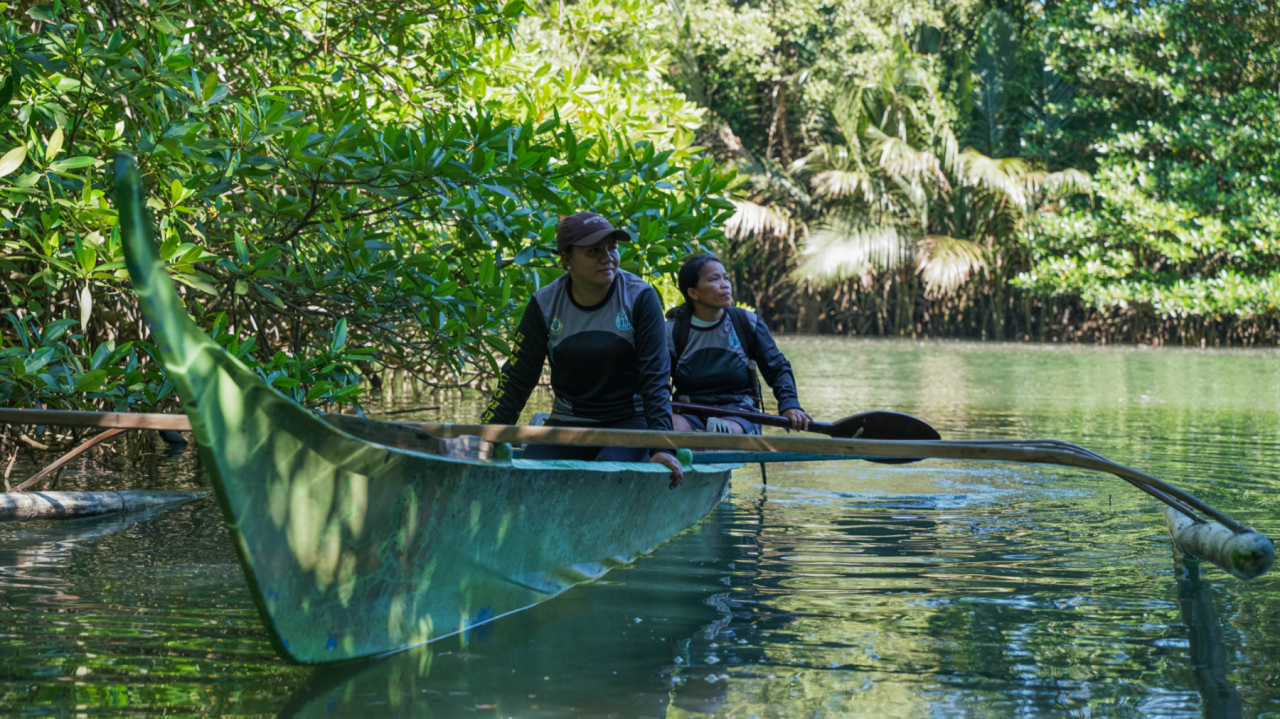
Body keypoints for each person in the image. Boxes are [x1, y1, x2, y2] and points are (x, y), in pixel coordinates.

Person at [481, 211, 684, 486]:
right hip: (569, 422)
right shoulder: (543, 304)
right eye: (593, 251)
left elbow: (656, 378)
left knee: (602, 477)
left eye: (612, 248)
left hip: (632, 423)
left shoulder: (640, 297)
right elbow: (518, 377)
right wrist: (487, 434)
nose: (607, 258)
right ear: (566, 260)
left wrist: (662, 447)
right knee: (526, 477)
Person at [667, 255, 812, 434]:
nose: (725, 284)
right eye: (714, 279)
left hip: (740, 413)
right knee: (670, 429)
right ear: (693, 293)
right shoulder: (672, 331)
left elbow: (778, 369)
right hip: (689, 411)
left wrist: (790, 405)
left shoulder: (747, 323)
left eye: (725, 278)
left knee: (721, 432)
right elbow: (657, 380)